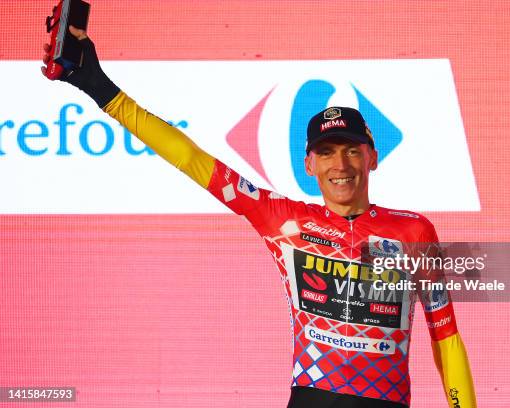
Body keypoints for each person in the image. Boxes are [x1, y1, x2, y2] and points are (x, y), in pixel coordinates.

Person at [42, 26, 477, 408]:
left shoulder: (414, 231)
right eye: (326, 152)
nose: (340, 165)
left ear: (372, 158)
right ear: (309, 164)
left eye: (351, 150)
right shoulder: (282, 221)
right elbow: (191, 157)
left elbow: (447, 338)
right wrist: (100, 87)